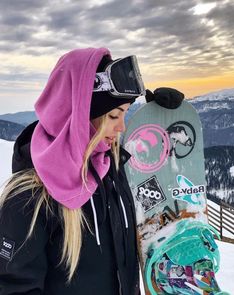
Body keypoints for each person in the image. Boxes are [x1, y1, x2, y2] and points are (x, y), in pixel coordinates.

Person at [0, 48, 145, 295]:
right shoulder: (29, 197)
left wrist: (164, 117)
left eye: (125, 113)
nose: (122, 127)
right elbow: (14, 288)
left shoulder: (110, 168)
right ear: (78, 115)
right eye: (113, 115)